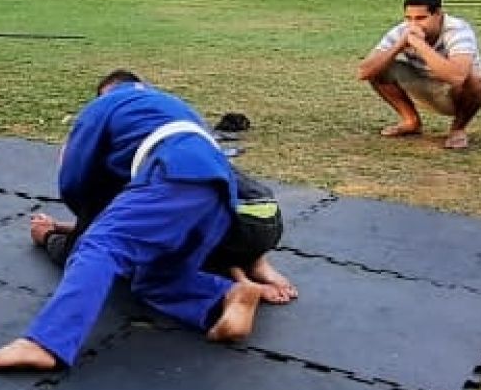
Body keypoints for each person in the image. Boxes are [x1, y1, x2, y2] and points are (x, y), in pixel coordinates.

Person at [0, 73, 267, 372]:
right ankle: (227, 295)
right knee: (154, 280)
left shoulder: (104, 106)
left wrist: (85, 224)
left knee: (99, 246)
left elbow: (74, 180)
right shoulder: (172, 105)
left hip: (173, 173)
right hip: (222, 192)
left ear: (104, 92)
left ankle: (45, 343)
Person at [27, 73, 296, 304]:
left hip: (224, 226)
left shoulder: (109, 129)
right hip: (265, 216)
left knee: (140, 260)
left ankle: (231, 284)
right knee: (178, 222)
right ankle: (253, 261)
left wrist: (49, 237)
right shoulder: (176, 116)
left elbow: (84, 245)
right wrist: (65, 225)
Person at [358, 0, 481, 150]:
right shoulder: (402, 31)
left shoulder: (457, 30)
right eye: (408, 18)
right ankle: (411, 121)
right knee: (379, 67)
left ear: (438, 15)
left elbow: (457, 77)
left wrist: (420, 45)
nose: (413, 25)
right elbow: (363, 71)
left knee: (475, 79)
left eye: (421, 18)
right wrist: (399, 45)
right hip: (422, 86)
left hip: (455, 93)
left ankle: (458, 129)